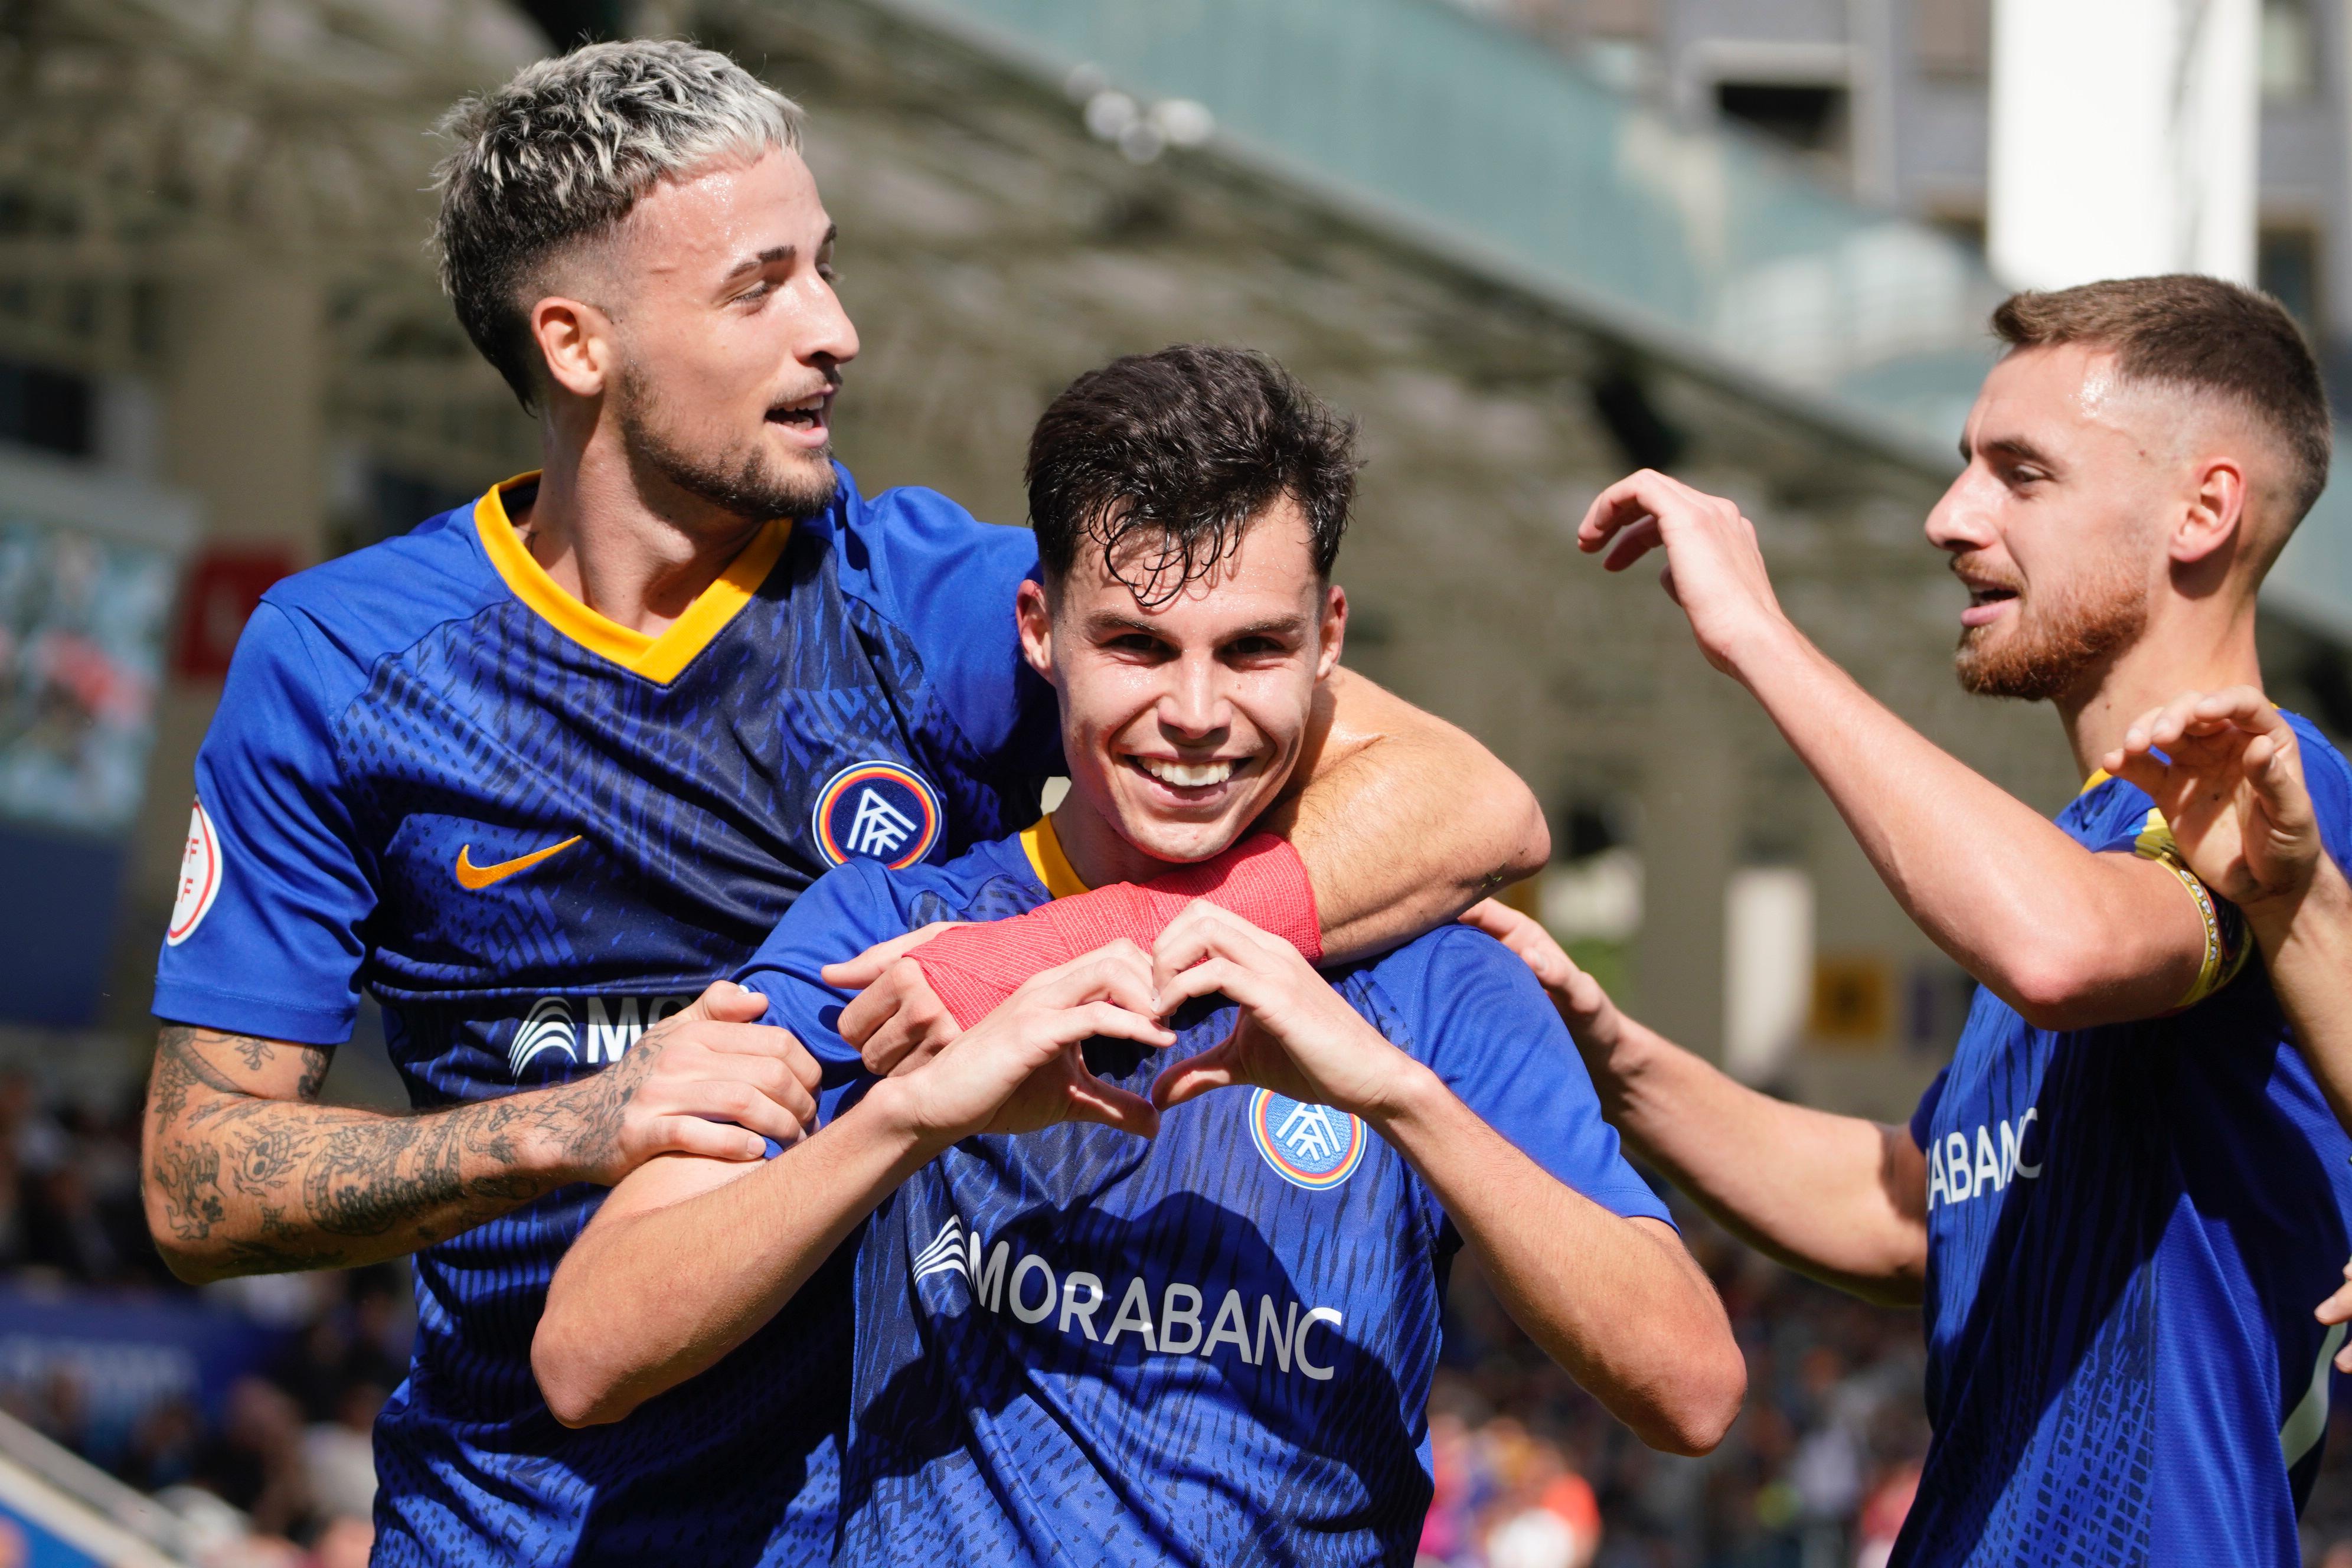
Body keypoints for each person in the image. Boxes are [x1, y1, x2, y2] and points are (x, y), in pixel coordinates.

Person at [139, 43, 1548, 1568]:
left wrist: (1034, 962)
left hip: (854, 1526)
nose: (839, 333)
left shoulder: (928, 600)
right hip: (504, 1525)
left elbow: (1468, 799)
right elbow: (199, 1177)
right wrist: (582, 1126)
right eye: (761, 289)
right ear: (576, 342)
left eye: (828, 269)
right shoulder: (345, 660)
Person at [531, 345, 1746, 1564]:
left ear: (1332, 639)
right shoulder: (890, 937)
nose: (1199, 712)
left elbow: (1690, 1387)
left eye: (1254, 649)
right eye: (1139, 647)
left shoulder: (1434, 966)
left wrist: (1395, 1092)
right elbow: (588, 1351)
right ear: (1038, 630)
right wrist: (905, 1119)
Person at [1465, 273, 2352, 1566]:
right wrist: (1611, 1054)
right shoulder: (2065, 860)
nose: (1952, 517)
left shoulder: (2282, 794)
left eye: (2021, 473)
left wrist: (1763, 638)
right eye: (1963, 468)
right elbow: (1914, 1204)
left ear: (2202, 510)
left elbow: (2064, 946)